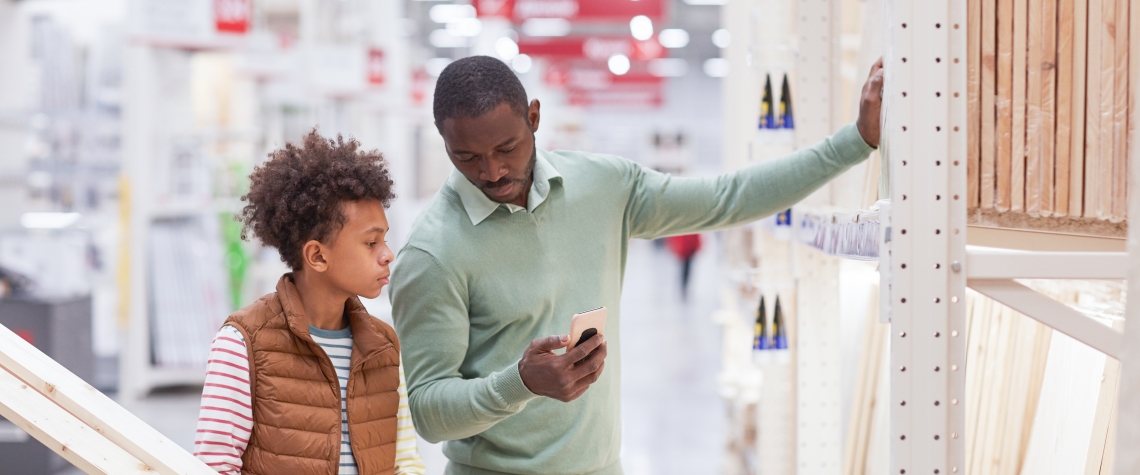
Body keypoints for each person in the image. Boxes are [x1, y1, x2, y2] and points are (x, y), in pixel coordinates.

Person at [391, 55, 884, 475]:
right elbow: (431, 413)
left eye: (506, 149)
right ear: (443, 142)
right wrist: (518, 382)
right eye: (467, 157)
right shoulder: (433, 253)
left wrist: (855, 141)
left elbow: (728, 197)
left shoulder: (603, 187)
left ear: (534, 117)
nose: (492, 171)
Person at [192, 131, 425, 475]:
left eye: (385, 240)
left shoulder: (383, 346)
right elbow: (213, 468)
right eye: (371, 243)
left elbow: (406, 463)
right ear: (317, 255)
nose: (388, 255)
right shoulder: (242, 343)